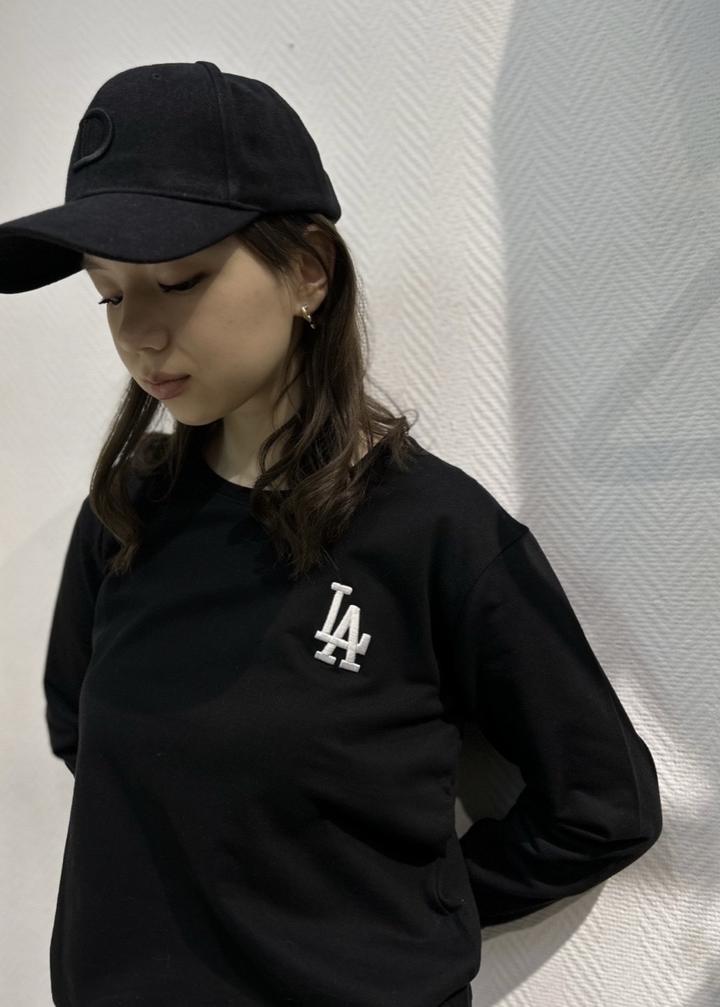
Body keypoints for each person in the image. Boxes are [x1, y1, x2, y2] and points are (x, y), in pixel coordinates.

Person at [0, 61, 663, 1007]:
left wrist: (405, 920)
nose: (137, 332)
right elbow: (79, 722)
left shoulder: (434, 532)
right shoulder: (129, 506)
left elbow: (604, 803)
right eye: (109, 294)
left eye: (178, 280)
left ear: (308, 269)